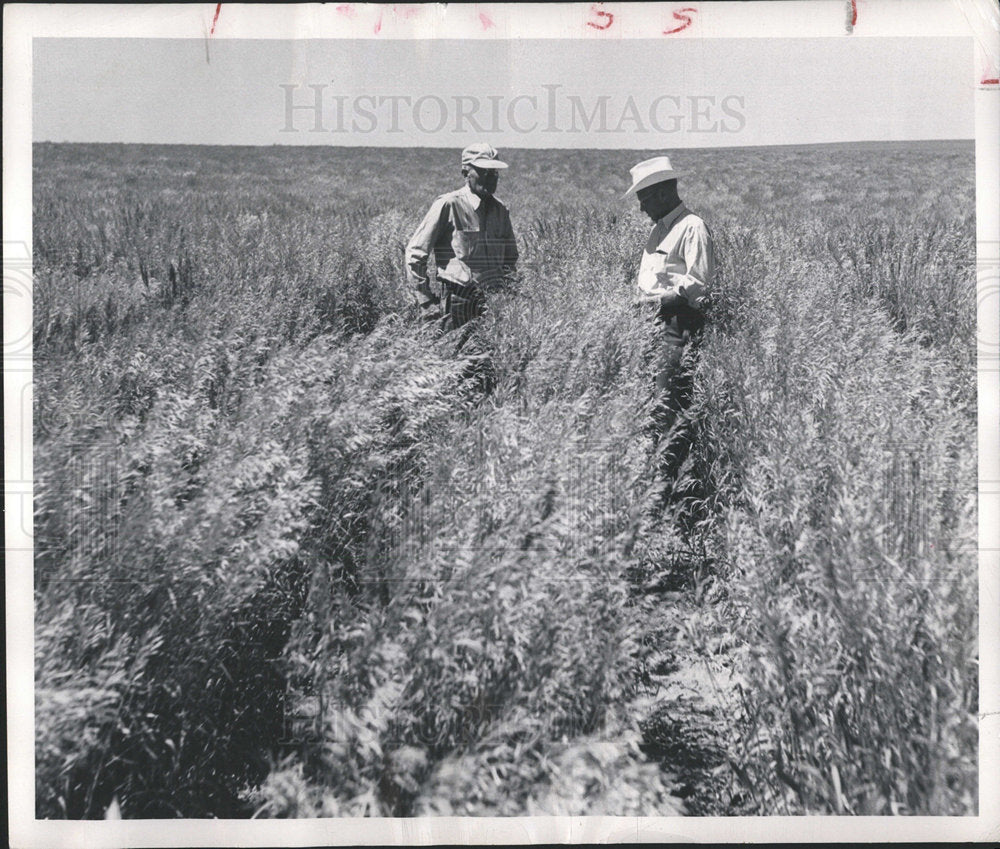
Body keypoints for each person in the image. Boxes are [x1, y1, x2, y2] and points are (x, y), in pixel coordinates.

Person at [624, 155, 716, 438]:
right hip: (649, 323)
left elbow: (698, 282)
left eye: (644, 199)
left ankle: (670, 467)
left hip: (675, 326)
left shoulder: (692, 227)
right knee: (647, 396)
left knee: (666, 403)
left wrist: (656, 302)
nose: (641, 208)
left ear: (663, 193)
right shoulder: (658, 230)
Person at [405, 143, 519, 330]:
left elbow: (510, 259)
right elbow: (415, 253)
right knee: (455, 357)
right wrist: (425, 301)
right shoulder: (449, 205)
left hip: (494, 304)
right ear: (466, 173)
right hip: (458, 303)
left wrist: (509, 297)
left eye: (495, 173)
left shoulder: (501, 211)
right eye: (484, 171)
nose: (491, 178)